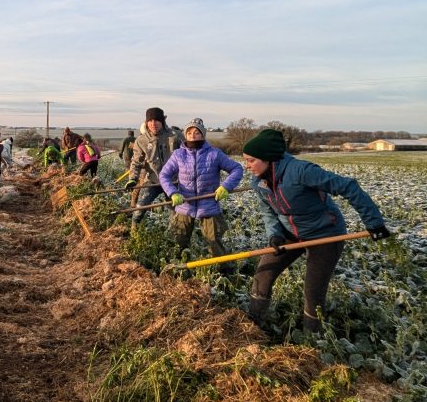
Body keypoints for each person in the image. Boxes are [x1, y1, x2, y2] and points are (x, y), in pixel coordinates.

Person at [242, 128, 391, 333]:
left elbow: (348, 187)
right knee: (263, 275)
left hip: (325, 234)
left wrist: (374, 223)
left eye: (251, 160)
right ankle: (252, 328)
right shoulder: (259, 181)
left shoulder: (302, 171)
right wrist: (275, 234)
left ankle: (312, 338)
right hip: (290, 234)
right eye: (245, 160)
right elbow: (268, 211)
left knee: (313, 291)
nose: (247, 166)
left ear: (268, 158)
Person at [160, 118, 243, 265]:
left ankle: (224, 270)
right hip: (185, 204)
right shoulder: (179, 154)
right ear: (185, 135)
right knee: (179, 240)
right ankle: (177, 268)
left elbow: (237, 169)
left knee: (214, 241)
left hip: (209, 204)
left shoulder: (214, 154)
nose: (192, 135)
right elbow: (164, 175)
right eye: (189, 132)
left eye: (196, 132)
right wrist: (172, 192)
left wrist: (226, 186)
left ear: (203, 135)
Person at [125, 107, 182, 225]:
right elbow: (136, 162)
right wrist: (132, 178)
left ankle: (175, 233)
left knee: (176, 212)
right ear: (146, 122)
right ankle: (134, 231)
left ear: (162, 121)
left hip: (173, 181)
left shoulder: (175, 136)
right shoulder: (141, 140)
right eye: (150, 121)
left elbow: (188, 155)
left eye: (156, 120)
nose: (153, 123)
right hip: (152, 180)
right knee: (139, 210)